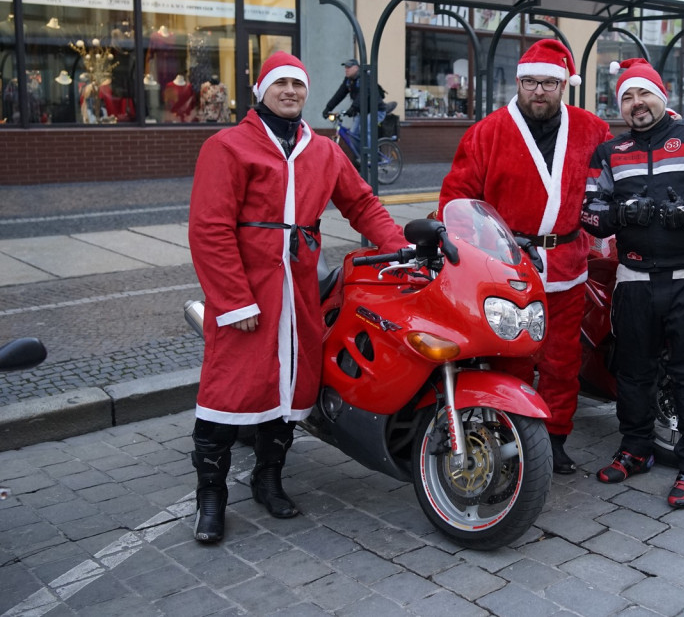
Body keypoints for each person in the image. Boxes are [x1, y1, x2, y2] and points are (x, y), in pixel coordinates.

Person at [188, 51, 406, 544]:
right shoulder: (228, 146)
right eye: (281, 83)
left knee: (291, 389)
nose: (290, 91)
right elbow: (209, 230)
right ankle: (211, 498)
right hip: (249, 292)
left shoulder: (323, 151)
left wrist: (400, 248)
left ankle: (269, 480)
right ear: (260, 90)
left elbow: (362, 203)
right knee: (227, 391)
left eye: (298, 85)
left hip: (300, 288)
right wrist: (235, 300)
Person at [580, 58, 684, 509]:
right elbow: (588, 212)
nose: (637, 104)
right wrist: (620, 214)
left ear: (663, 94)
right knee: (633, 374)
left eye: (644, 93)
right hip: (633, 281)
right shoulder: (610, 153)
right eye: (627, 98)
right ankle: (635, 449)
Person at [437, 39, 611, 475]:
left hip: (568, 264)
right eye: (530, 81)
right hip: (506, 266)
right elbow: (457, 196)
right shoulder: (488, 131)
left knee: (562, 360)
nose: (539, 91)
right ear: (517, 82)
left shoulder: (592, 129)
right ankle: (507, 434)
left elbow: (616, 176)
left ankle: (554, 440)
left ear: (564, 86)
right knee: (509, 359)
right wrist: (455, 243)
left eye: (549, 83)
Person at [321, 58, 386, 145]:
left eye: (348, 67)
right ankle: (359, 157)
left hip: (376, 110)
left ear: (356, 68)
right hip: (361, 111)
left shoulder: (365, 78)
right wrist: (328, 108)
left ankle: (370, 157)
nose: (346, 69)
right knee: (353, 135)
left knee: (366, 131)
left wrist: (353, 108)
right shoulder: (348, 80)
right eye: (345, 67)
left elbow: (363, 95)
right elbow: (339, 94)